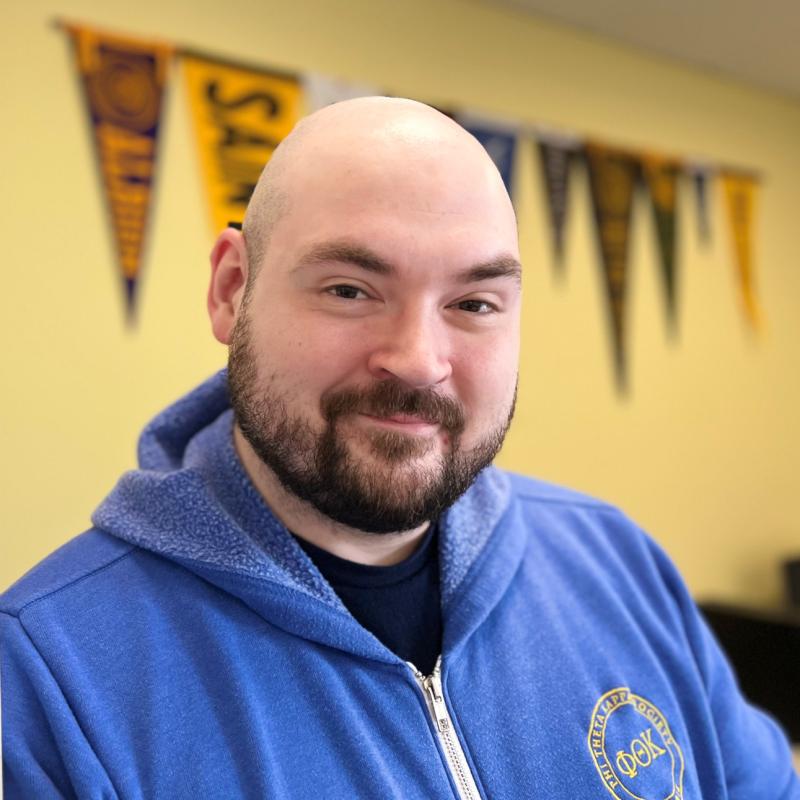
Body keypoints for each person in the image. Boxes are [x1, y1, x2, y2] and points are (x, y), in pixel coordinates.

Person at [1, 97, 797, 800]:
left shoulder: (619, 563)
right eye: (350, 289)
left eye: (474, 302)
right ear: (230, 289)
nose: (418, 358)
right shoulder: (44, 674)